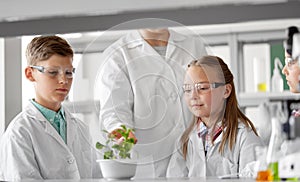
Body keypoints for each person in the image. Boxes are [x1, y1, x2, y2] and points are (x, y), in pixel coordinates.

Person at [98, 28, 207, 177]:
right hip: (150, 168)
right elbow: (113, 112)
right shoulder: (118, 54)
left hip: (197, 161)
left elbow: (210, 98)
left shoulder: (194, 45)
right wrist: (121, 131)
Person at [0, 35, 100, 180]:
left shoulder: (80, 128)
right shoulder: (19, 133)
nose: (63, 80)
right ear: (30, 74)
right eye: (53, 72)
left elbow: (96, 177)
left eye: (69, 72)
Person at [166, 56, 263, 177]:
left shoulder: (245, 139)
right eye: (188, 89)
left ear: (226, 91)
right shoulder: (184, 142)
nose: (193, 96)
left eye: (202, 88)